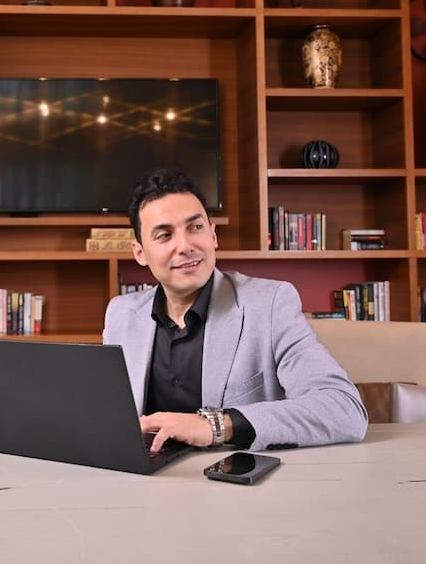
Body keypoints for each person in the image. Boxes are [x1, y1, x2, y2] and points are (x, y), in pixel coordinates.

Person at [103, 168, 367, 452]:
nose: (185, 246)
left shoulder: (270, 304)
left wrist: (217, 426)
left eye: (195, 227)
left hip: (234, 475)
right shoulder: (121, 314)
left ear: (213, 235)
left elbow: (345, 409)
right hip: (145, 474)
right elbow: (109, 415)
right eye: (165, 235)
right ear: (140, 253)